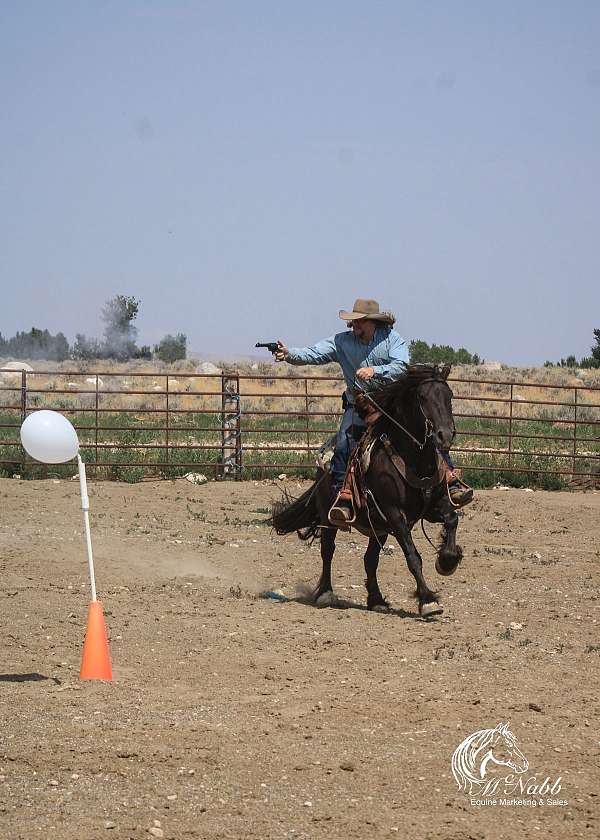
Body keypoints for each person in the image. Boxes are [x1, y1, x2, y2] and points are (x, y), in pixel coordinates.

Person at [273, 298, 472, 520]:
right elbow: (313, 353)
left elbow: (401, 366)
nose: (354, 325)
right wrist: (289, 354)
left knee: (425, 432)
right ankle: (343, 495)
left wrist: (374, 371)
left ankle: (450, 480)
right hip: (360, 404)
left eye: (359, 321)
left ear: (372, 323)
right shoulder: (342, 342)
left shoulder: (392, 340)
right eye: (353, 322)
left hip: (392, 403)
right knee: (344, 444)